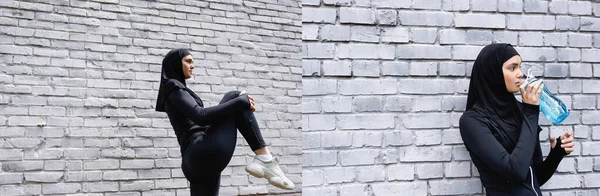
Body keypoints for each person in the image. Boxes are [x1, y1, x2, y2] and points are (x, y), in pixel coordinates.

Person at [155, 48, 294, 195]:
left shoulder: (177, 91)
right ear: (176, 63)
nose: (192, 65)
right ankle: (265, 159)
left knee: (237, 99)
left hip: (196, 163)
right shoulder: (172, 87)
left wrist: (239, 102)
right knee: (234, 96)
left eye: (193, 62)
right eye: (188, 61)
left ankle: (265, 159)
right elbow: (200, 116)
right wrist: (240, 102)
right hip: (200, 152)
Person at [459, 43, 574, 195]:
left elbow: (535, 178)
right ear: (493, 73)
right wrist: (531, 112)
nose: (520, 74)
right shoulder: (472, 121)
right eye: (512, 68)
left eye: (520, 67)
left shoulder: (522, 111)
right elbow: (515, 172)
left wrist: (556, 154)